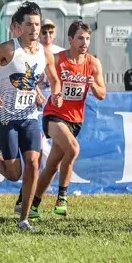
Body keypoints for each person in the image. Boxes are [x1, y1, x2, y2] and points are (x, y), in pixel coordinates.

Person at [0, 1, 60, 231]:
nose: (35, 29)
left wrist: (55, 96)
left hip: (29, 117)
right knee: (11, 173)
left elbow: (54, 81)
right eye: (30, 24)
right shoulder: (8, 49)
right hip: (3, 117)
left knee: (34, 163)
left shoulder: (45, 54)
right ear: (18, 27)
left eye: (37, 24)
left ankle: (23, 219)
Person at [31, 21, 106, 217]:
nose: (85, 42)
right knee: (73, 149)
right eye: (80, 38)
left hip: (75, 120)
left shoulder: (93, 63)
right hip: (54, 115)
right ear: (70, 40)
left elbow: (102, 94)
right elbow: (32, 79)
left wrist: (93, 85)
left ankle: (32, 204)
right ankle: (62, 197)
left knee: (53, 164)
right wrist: (41, 94)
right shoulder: (57, 59)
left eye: (88, 38)